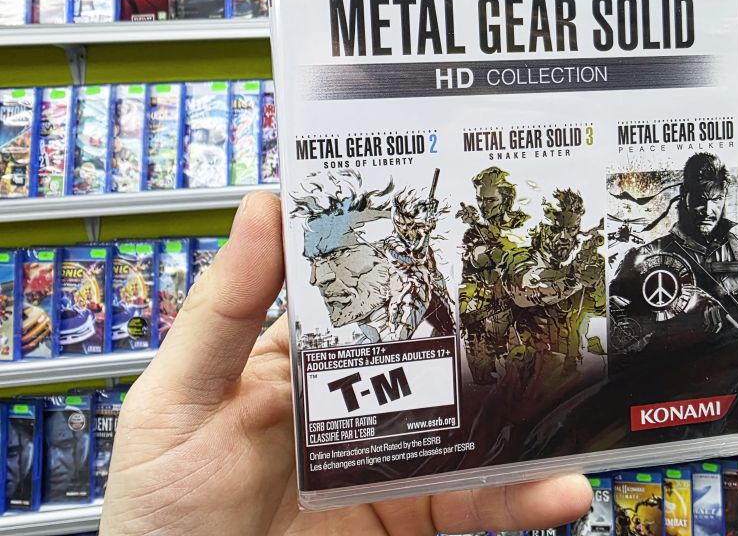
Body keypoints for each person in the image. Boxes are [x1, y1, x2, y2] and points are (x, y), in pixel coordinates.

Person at [99, 191, 591, 535]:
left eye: (335, 258)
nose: (317, 281)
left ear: (395, 258)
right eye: (314, 265)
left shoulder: (462, 340)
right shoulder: (340, 357)